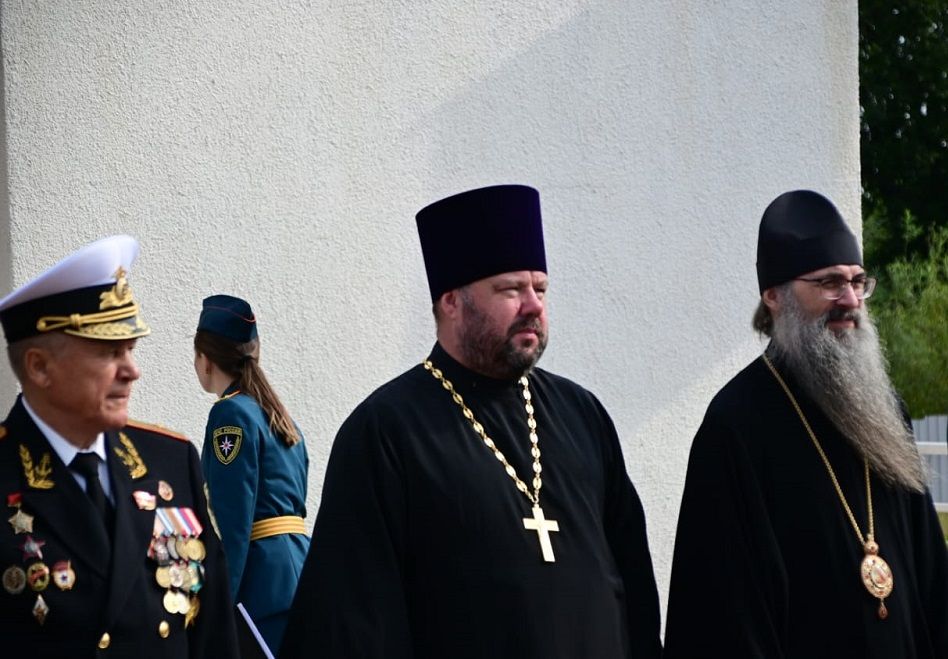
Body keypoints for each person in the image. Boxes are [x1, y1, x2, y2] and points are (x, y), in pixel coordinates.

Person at [280, 184, 662, 659]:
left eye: (540, 289)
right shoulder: (387, 432)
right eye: (511, 289)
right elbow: (354, 622)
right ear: (452, 301)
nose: (534, 306)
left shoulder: (583, 415)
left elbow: (634, 587)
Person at [664, 190, 948, 658]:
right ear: (774, 296)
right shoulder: (735, 425)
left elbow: (933, 577)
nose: (851, 300)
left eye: (858, 281)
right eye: (830, 283)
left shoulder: (884, 409)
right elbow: (725, 614)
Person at [0, 235, 238, 657]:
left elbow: (214, 636)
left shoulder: (171, 461)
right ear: (39, 367)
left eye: (130, 349)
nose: (132, 370)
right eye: (110, 352)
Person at [194, 294, 309, 654]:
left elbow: (232, 520)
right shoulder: (281, 417)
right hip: (298, 573)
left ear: (205, 360)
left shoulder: (230, 414)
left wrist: (218, 605)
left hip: (260, 586)